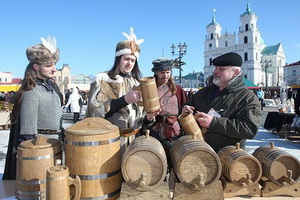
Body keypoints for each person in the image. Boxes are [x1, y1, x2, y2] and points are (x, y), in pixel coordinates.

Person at [85, 27, 158, 152]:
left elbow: (138, 119)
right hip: (109, 142)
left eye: (133, 60)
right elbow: (96, 112)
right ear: (118, 59)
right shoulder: (103, 79)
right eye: (126, 59)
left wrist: (149, 117)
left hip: (133, 141)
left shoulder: (136, 83)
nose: (129, 63)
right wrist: (125, 100)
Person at [3, 36, 63, 180]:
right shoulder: (31, 92)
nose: (54, 69)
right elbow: (27, 135)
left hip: (55, 147)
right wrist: (34, 160)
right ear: (36, 66)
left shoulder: (52, 88)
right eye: (49, 65)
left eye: (54, 64)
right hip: (40, 152)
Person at [181, 52, 261, 153]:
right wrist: (184, 108)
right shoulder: (204, 92)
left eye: (221, 69)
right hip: (198, 151)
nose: (215, 72)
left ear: (235, 72)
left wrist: (213, 123)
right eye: (216, 68)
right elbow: (188, 105)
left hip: (227, 155)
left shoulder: (247, 97)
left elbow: (249, 128)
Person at [141, 57, 187, 167]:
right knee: (157, 161)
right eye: (162, 72)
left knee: (175, 160)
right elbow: (141, 113)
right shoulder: (148, 89)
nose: (166, 75)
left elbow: (184, 107)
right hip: (155, 129)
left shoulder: (178, 89)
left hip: (175, 130)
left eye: (168, 72)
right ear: (156, 72)